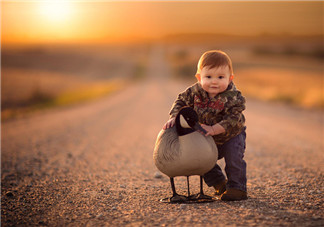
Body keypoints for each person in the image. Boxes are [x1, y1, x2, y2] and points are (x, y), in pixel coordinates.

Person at [163, 50, 247, 201]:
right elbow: (180, 101)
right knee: (202, 160)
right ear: (199, 77)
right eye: (208, 77)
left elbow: (234, 118)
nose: (214, 81)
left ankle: (237, 187)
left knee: (234, 159)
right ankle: (219, 183)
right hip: (206, 135)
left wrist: (215, 129)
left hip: (231, 136)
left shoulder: (234, 96)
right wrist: (175, 116)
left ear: (230, 78)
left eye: (220, 77)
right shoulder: (194, 92)